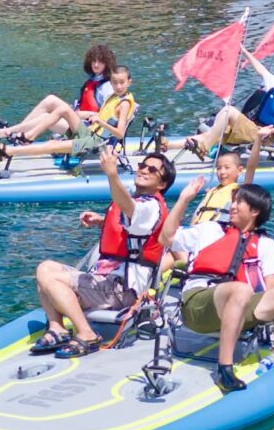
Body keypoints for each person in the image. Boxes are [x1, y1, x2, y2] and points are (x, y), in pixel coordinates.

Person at [164, 184, 274, 392]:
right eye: (233, 201)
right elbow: (166, 238)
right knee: (241, 290)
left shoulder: (266, 245)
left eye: (238, 202)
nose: (232, 206)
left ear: (255, 210)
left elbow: (272, 289)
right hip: (198, 306)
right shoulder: (210, 230)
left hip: (239, 307)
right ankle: (224, 369)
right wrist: (184, 199)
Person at [30, 145, 176, 357]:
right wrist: (102, 221)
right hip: (105, 282)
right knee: (45, 268)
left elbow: (132, 211)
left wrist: (112, 174)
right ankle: (57, 328)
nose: (144, 170)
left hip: (122, 289)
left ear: (162, 184)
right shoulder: (139, 200)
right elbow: (131, 230)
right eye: (142, 165)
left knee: (51, 280)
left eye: (152, 170)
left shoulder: (150, 207)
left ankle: (87, 333)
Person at [179, 51, 274, 160]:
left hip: (264, 134)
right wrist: (243, 50)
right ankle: (170, 145)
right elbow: (260, 68)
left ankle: (205, 147)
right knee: (213, 133)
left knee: (229, 111)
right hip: (253, 127)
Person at [0, 62, 137, 166]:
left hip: (96, 143)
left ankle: (9, 151)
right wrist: (77, 115)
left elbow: (120, 134)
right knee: (63, 110)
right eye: (114, 82)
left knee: (54, 144)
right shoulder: (113, 97)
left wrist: (100, 122)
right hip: (89, 133)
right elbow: (100, 115)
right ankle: (28, 136)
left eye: (122, 82)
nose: (118, 86)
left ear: (129, 82)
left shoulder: (124, 104)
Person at [0, 43, 121, 145]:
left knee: (46, 117)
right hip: (78, 122)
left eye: (100, 61)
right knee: (50, 100)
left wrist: (82, 114)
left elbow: (108, 116)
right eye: (93, 61)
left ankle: (5, 133)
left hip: (88, 130)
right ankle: (16, 133)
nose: (96, 64)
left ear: (107, 64)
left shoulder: (107, 87)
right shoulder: (93, 81)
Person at [172, 143, 256, 226]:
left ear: (240, 170)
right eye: (218, 168)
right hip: (199, 229)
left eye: (227, 167)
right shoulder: (212, 191)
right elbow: (198, 213)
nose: (222, 172)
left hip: (218, 230)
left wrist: (258, 140)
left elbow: (251, 167)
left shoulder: (240, 191)